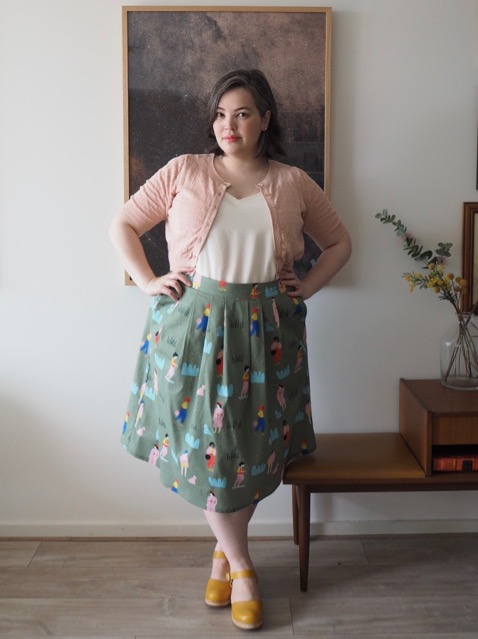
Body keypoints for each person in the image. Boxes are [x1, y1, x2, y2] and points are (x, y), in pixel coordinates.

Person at [110, 69, 351, 631]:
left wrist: (309, 286)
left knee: (252, 447)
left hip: (266, 332)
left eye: (241, 113)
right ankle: (243, 565)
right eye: (220, 114)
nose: (228, 125)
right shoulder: (184, 171)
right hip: (195, 333)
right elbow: (123, 223)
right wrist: (149, 281)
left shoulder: (293, 182)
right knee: (211, 455)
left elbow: (340, 242)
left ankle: (223, 553)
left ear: (266, 118)